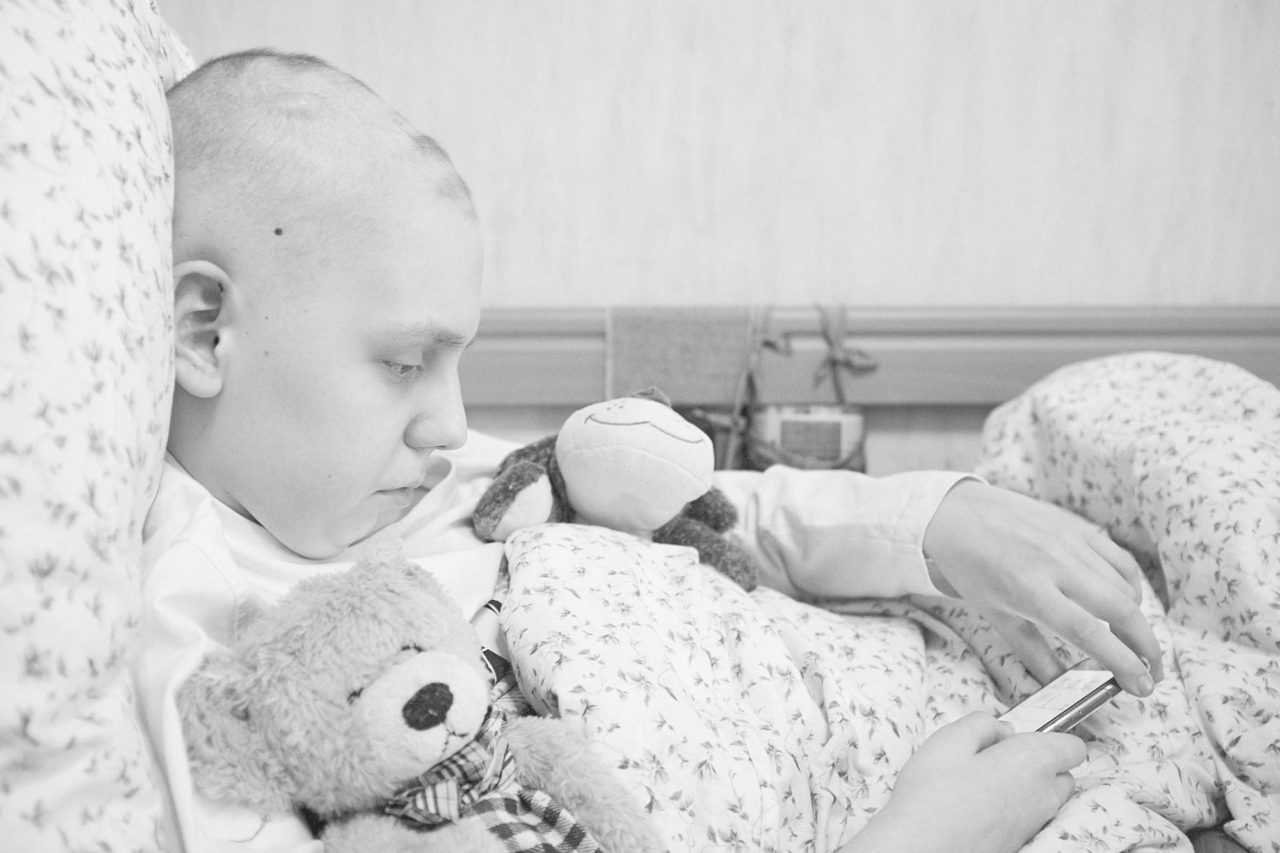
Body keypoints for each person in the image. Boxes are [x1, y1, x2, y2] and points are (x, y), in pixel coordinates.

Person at [138, 48, 1161, 853]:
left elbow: (701, 516)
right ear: (203, 330)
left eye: (454, 364)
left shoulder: (414, 479)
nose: (450, 423)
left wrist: (934, 519)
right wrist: (920, 837)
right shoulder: (204, 658)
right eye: (405, 362)